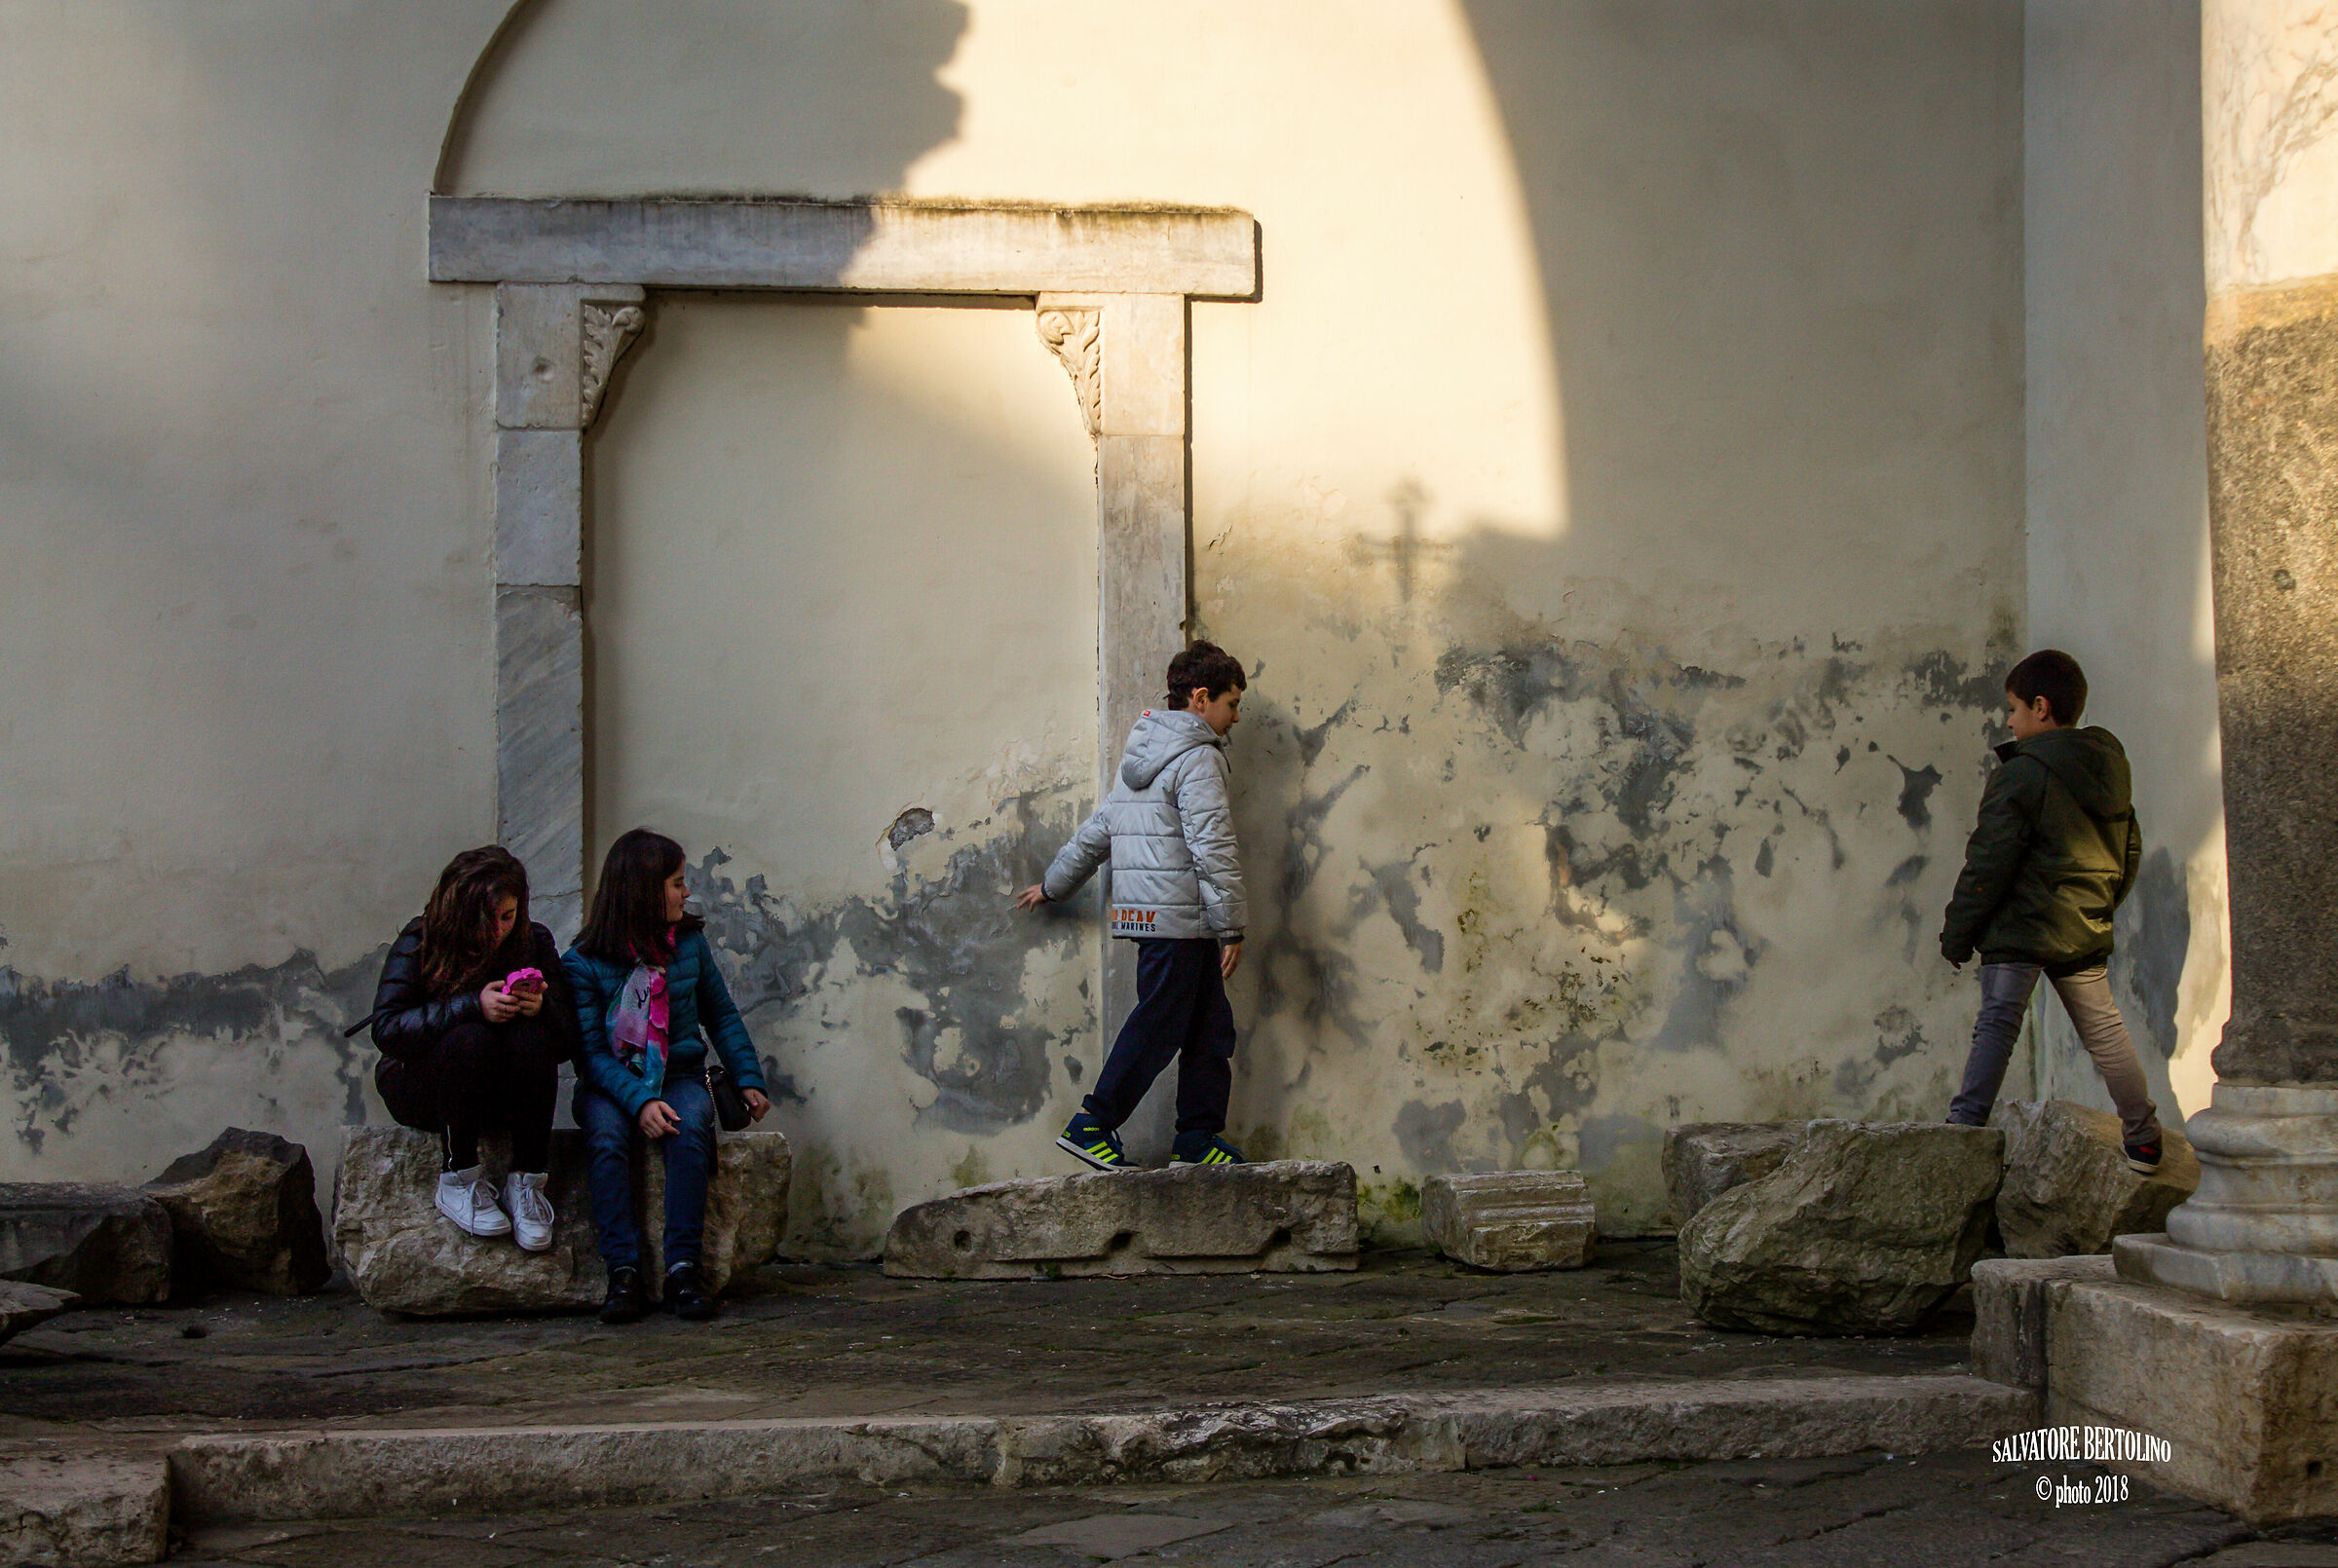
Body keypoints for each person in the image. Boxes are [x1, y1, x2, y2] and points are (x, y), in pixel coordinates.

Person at [1016, 641, 1250, 1171]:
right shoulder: (1198, 757)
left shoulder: (1143, 756)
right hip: (1181, 920)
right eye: (1232, 704)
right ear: (1200, 698)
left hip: (1163, 919)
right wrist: (1231, 926)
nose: (1235, 717)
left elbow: (1102, 827)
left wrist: (1053, 885)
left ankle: (1195, 1139)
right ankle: (1092, 1124)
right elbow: (1212, 843)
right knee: (1160, 1026)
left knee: (1210, 1030)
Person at [1941, 649, 2164, 1171]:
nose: (2011, 723)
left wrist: (1958, 934)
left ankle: (1961, 1133)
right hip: (2080, 923)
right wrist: (2099, 906)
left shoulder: (2022, 774)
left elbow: (1987, 863)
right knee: (2105, 1030)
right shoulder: (2110, 768)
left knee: (1997, 1024)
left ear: (2041, 708)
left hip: (2019, 927)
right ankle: (2144, 1136)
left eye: (2014, 710)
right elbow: (2128, 848)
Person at [564, 829, 772, 1325]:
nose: (685, 893)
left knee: (690, 1127)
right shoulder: (583, 963)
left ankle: (683, 1269)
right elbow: (590, 1056)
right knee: (609, 1138)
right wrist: (638, 1102)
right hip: (610, 1084)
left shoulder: (689, 945)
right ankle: (623, 1271)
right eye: (677, 883)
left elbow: (720, 1015)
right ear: (642, 889)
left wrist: (748, 1077)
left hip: (679, 1073)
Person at [354, 845, 578, 1250]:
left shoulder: (534, 940)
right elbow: (387, 1029)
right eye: (485, 918)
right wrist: (471, 1005)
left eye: (508, 916)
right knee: (470, 1037)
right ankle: (457, 1178)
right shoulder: (422, 938)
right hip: (423, 1087)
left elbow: (567, 1044)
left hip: (500, 1094)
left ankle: (526, 1182)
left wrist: (542, 1007)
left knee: (531, 1036)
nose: (498, 929)